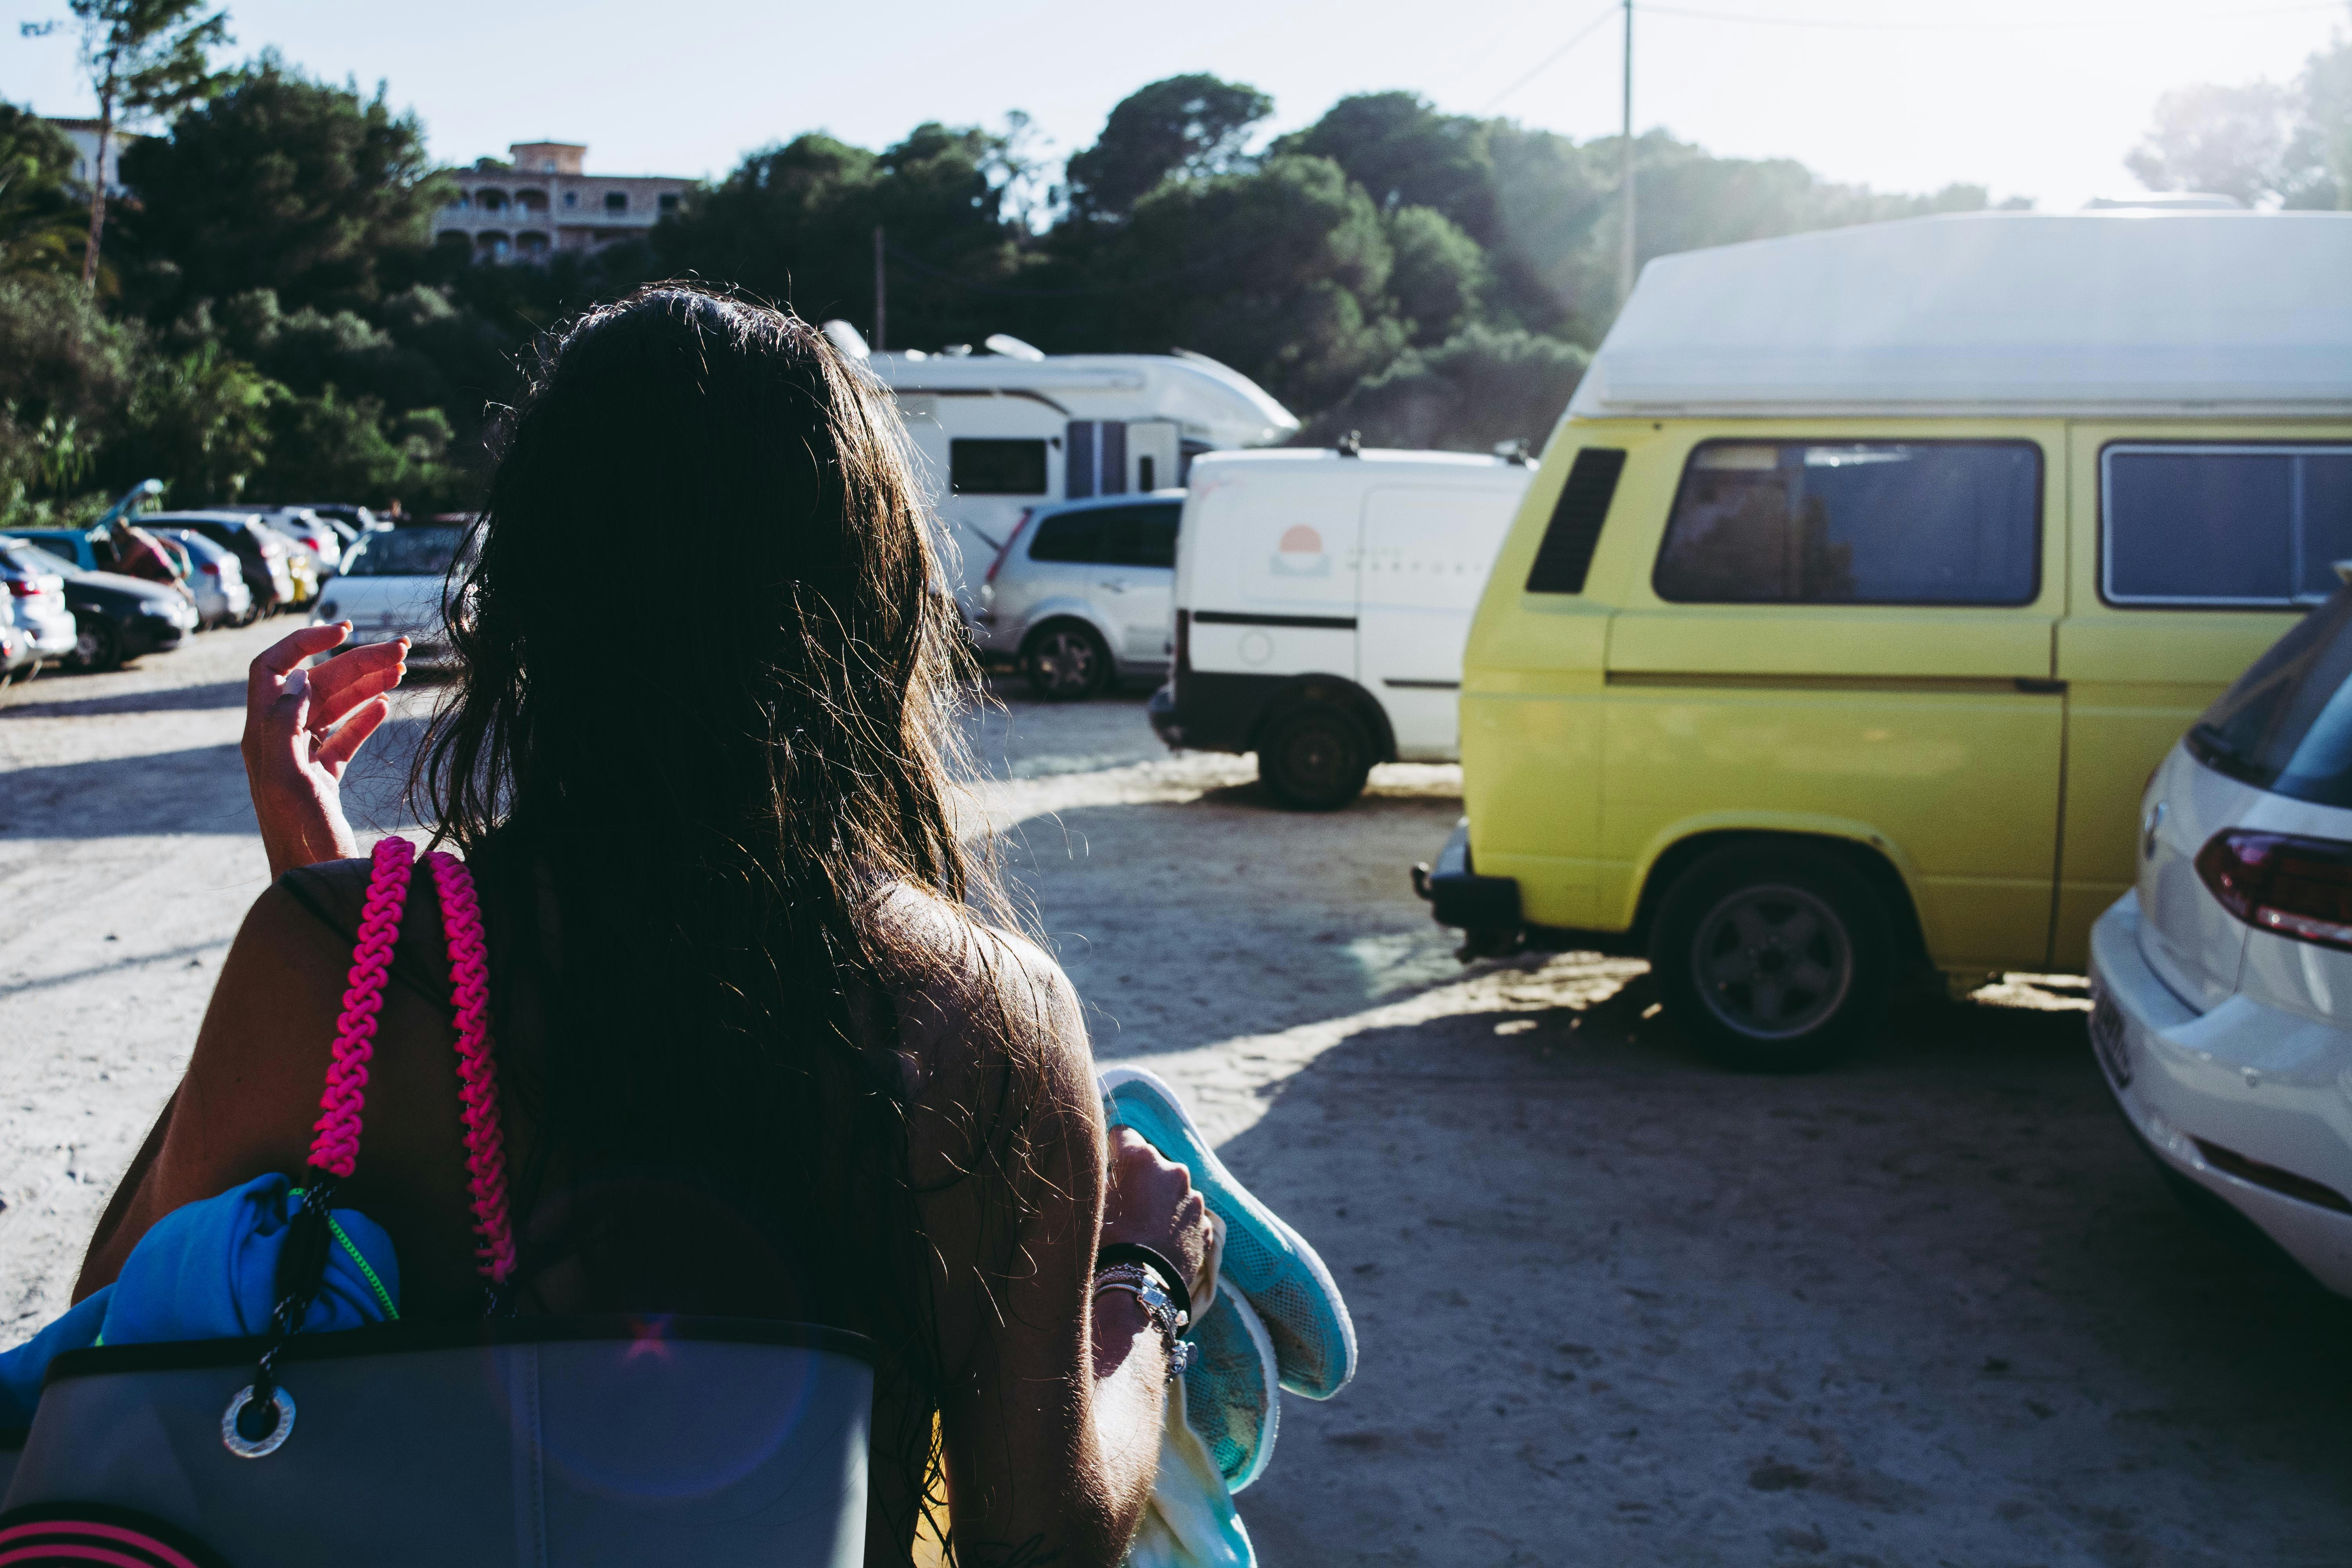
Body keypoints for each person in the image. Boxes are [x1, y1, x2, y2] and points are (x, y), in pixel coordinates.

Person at [67, 287, 1222, 1567]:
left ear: (526, 605)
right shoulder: (989, 1014)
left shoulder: (332, 958)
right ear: (877, 610)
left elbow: (115, 1340)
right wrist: (1141, 1283)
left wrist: (331, 916)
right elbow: (1042, 1542)